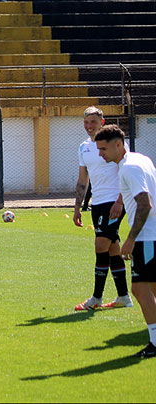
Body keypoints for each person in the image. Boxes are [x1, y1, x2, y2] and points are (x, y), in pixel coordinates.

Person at [94, 125, 156, 358]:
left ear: (118, 145)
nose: (101, 154)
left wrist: (130, 239)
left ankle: (155, 343)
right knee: (151, 288)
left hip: (147, 236)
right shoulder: (141, 159)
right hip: (150, 234)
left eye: (104, 149)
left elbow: (145, 203)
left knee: (139, 288)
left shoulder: (128, 168)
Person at [73, 107, 132, 311]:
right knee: (113, 248)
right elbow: (83, 179)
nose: (89, 126)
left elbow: (127, 171)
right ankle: (123, 296)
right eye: (86, 122)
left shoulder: (115, 143)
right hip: (97, 203)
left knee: (100, 246)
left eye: (93, 122)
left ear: (102, 122)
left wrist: (120, 201)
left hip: (114, 202)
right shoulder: (83, 148)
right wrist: (77, 207)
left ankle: (96, 298)